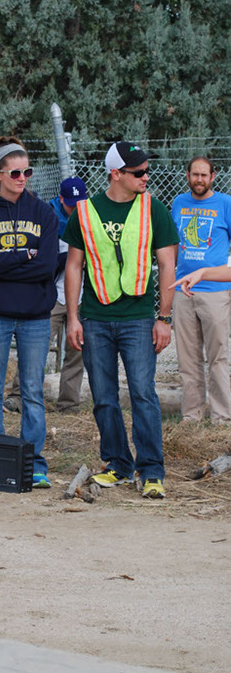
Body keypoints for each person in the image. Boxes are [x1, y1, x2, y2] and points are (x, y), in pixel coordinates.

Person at [63, 141, 178, 499]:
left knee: (143, 394)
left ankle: (152, 471)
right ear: (116, 174)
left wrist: (164, 318)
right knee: (103, 397)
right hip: (95, 319)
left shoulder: (154, 209)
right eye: (138, 172)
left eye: (147, 170)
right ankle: (118, 465)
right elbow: (74, 266)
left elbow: (167, 265)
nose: (146, 177)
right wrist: (73, 318)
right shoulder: (85, 212)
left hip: (139, 319)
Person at [0, 136, 58, 487]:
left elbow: (46, 265)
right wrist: (24, 255)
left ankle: (33, 464)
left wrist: (3, 260)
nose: (23, 179)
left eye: (27, 172)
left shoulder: (43, 212)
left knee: (32, 392)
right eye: (16, 173)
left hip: (35, 316)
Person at [3, 176, 88, 413]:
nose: (75, 210)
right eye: (71, 205)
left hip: (81, 296)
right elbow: (41, 261)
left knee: (77, 351)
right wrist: (72, 259)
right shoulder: (46, 218)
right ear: (61, 199)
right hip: (51, 295)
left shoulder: (90, 219)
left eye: (80, 204)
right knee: (34, 348)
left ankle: (69, 404)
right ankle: (18, 397)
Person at [170, 158, 231, 424]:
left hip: (216, 291)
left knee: (218, 357)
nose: (199, 180)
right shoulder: (179, 203)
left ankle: (222, 417)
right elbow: (173, 245)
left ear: (213, 177)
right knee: (188, 358)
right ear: (188, 175)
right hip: (183, 291)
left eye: (204, 175)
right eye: (195, 174)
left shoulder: (225, 204)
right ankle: (192, 415)